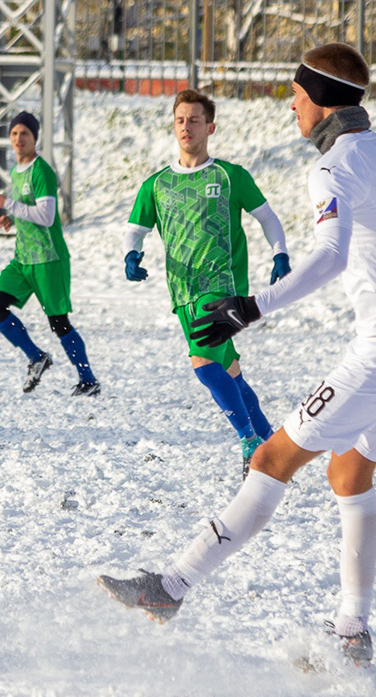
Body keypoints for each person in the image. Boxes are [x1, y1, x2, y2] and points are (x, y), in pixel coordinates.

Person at [99, 44, 376, 666]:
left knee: (272, 457)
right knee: (349, 474)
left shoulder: (332, 168)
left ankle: (170, 588)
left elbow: (328, 257)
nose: (292, 107)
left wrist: (254, 306)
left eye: (297, 96)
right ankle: (352, 631)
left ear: (322, 100)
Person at [122, 90, 290, 477]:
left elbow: (267, 217)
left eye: (195, 120)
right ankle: (272, 444)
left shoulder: (229, 176)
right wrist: (130, 254)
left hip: (221, 287)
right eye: (180, 119)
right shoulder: (157, 184)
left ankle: (250, 442)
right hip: (181, 290)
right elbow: (134, 229)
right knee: (229, 371)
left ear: (210, 127)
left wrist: (279, 252)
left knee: (202, 362)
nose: (186, 126)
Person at [0, 112, 100, 396]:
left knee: (59, 323)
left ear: (35, 138)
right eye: (13, 134)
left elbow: (48, 216)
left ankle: (88, 380)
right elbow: (29, 210)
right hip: (23, 259)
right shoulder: (16, 171)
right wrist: (12, 220)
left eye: (24, 133)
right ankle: (36, 357)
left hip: (49, 260)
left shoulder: (42, 171)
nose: (18, 139)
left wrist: (10, 206)